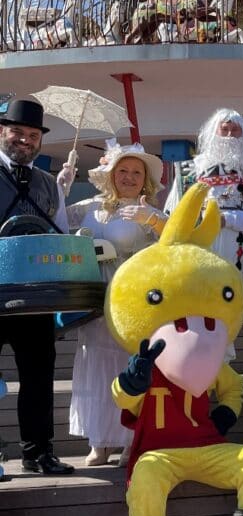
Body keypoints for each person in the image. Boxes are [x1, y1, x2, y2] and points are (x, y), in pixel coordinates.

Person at [67, 140, 166, 466]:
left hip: (134, 300)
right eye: (122, 170)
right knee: (97, 364)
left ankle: (131, 439)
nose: (129, 176)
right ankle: (100, 441)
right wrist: (60, 186)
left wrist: (152, 219)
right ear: (109, 175)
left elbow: (176, 239)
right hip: (97, 299)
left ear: (145, 179)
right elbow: (56, 221)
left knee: (131, 366)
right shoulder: (87, 207)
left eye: (136, 172)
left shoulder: (148, 210)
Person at [0, 97, 73, 474]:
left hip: (34, 296)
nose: (25, 141)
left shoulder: (50, 184)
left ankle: (38, 452)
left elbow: (59, 236)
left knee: (39, 377)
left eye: (32, 135)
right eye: (17, 132)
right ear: (2, 132)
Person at [165, 109, 243, 277]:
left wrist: (226, 219)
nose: (229, 135)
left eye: (235, 130)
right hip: (195, 240)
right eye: (224, 129)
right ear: (214, 131)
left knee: (231, 292)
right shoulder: (191, 169)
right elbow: (174, 209)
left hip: (236, 243)